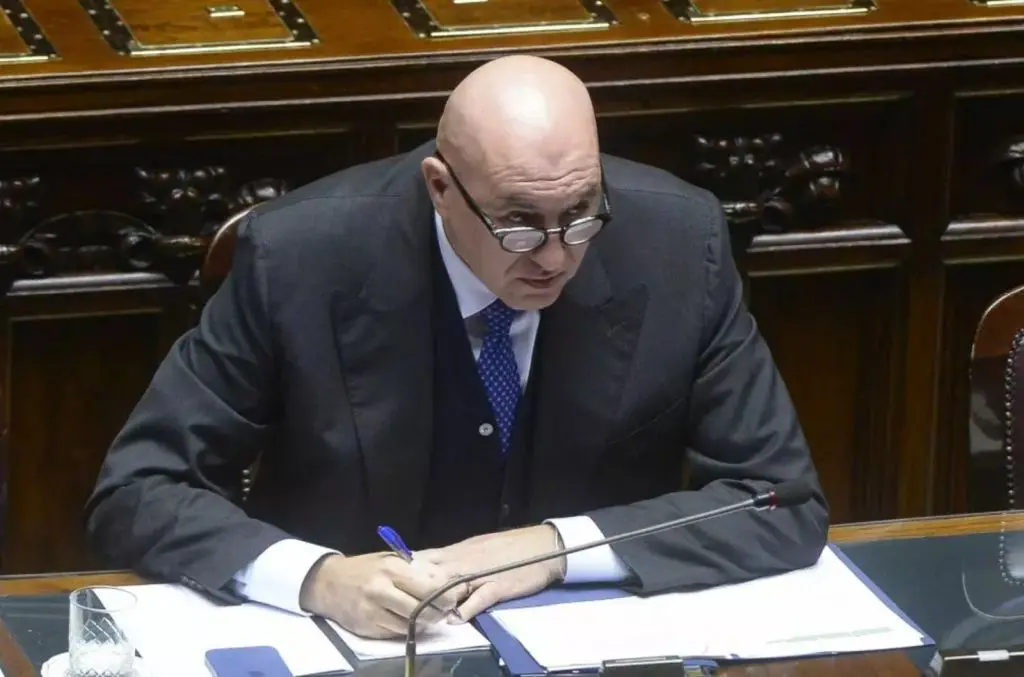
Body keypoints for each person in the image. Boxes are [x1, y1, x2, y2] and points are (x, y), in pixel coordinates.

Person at [84, 55, 829, 639]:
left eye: (581, 213)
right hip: (352, 651)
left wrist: (554, 549)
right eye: (519, 223)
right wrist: (317, 579)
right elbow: (140, 490)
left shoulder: (678, 245)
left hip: (593, 645)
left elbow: (779, 499)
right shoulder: (301, 257)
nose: (556, 256)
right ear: (440, 188)